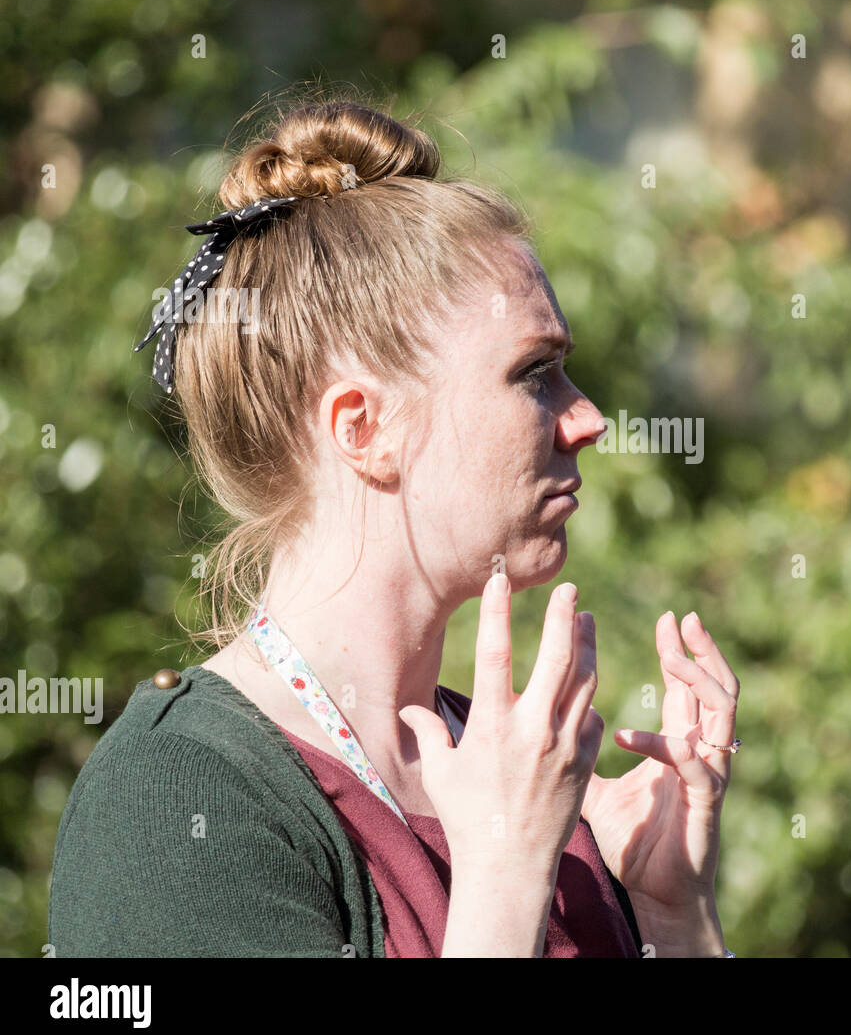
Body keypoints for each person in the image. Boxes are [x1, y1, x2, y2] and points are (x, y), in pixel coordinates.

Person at [47, 97, 742, 958]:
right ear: (363, 429)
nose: (589, 418)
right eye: (537, 374)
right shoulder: (178, 795)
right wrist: (504, 878)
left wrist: (674, 916)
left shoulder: (522, 773)